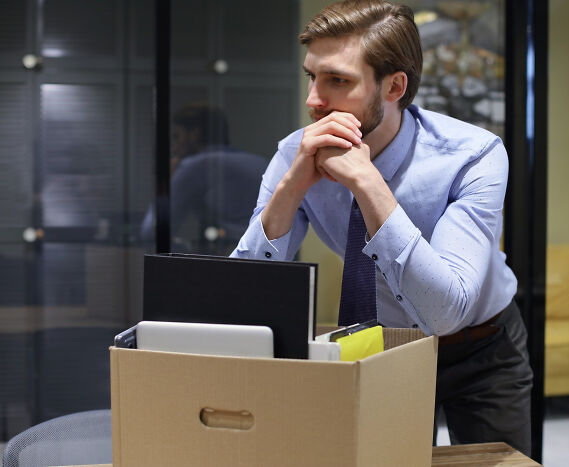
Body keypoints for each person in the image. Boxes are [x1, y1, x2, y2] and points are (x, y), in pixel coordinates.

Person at [230, 0, 532, 455]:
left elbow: (445, 311)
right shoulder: (297, 154)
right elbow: (243, 293)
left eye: (338, 80)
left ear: (394, 86)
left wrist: (367, 182)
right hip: (382, 348)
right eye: (312, 76)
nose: (313, 100)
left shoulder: (473, 155)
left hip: (481, 348)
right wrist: (292, 188)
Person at [141, 103, 267, 255]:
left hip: (236, 259)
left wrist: (165, 182)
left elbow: (151, 233)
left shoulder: (194, 166)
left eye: (177, 136)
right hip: (273, 258)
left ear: (195, 133)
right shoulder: (259, 161)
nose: (174, 148)